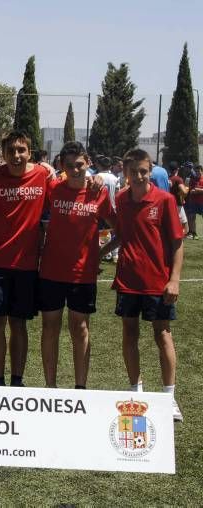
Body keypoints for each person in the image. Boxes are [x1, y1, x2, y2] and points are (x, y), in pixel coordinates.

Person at [102, 148, 184, 422]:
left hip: (158, 283)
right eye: (134, 171)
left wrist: (174, 280)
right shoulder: (122, 199)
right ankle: (135, 390)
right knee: (129, 334)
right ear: (125, 172)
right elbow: (122, 235)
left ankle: (169, 397)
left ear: (150, 171)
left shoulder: (165, 200)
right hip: (128, 280)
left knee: (163, 336)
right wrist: (99, 254)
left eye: (144, 171)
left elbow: (177, 243)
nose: (139, 176)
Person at [39, 142, 115, 389]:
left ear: (88, 163)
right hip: (51, 272)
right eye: (69, 166)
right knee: (50, 327)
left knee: (80, 328)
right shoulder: (52, 189)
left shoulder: (99, 192)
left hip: (83, 274)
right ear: (61, 166)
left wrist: (99, 254)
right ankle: (51, 388)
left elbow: (120, 228)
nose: (75, 170)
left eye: (79, 165)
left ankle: (80, 388)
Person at [0, 130, 51, 387]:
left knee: (19, 323)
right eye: (11, 151)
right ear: (4, 154)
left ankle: (17, 380)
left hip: (27, 265)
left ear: (29, 153)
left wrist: (95, 178)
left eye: (21, 150)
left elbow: (68, 186)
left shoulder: (43, 175)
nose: (16, 156)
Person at [184, 163, 203, 239]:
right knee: (192, 217)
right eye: (197, 171)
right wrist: (191, 190)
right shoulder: (191, 179)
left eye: (199, 171)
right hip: (193, 201)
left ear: (202, 171)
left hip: (201, 202)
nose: (198, 173)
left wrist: (198, 190)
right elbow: (188, 188)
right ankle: (193, 233)